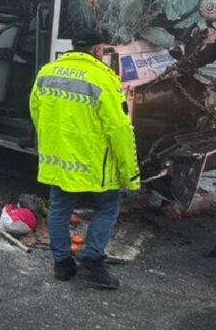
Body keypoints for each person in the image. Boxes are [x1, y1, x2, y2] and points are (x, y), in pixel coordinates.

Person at [29, 28, 139, 290]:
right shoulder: (103, 79)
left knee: (58, 208)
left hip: (58, 160)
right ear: (99, 50)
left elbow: (36, 111)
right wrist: (130, 173)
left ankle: (63, 265)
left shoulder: (47, 72)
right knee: (107, 206)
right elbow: (120, 130)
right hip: (93, 165)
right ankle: (91, 263)